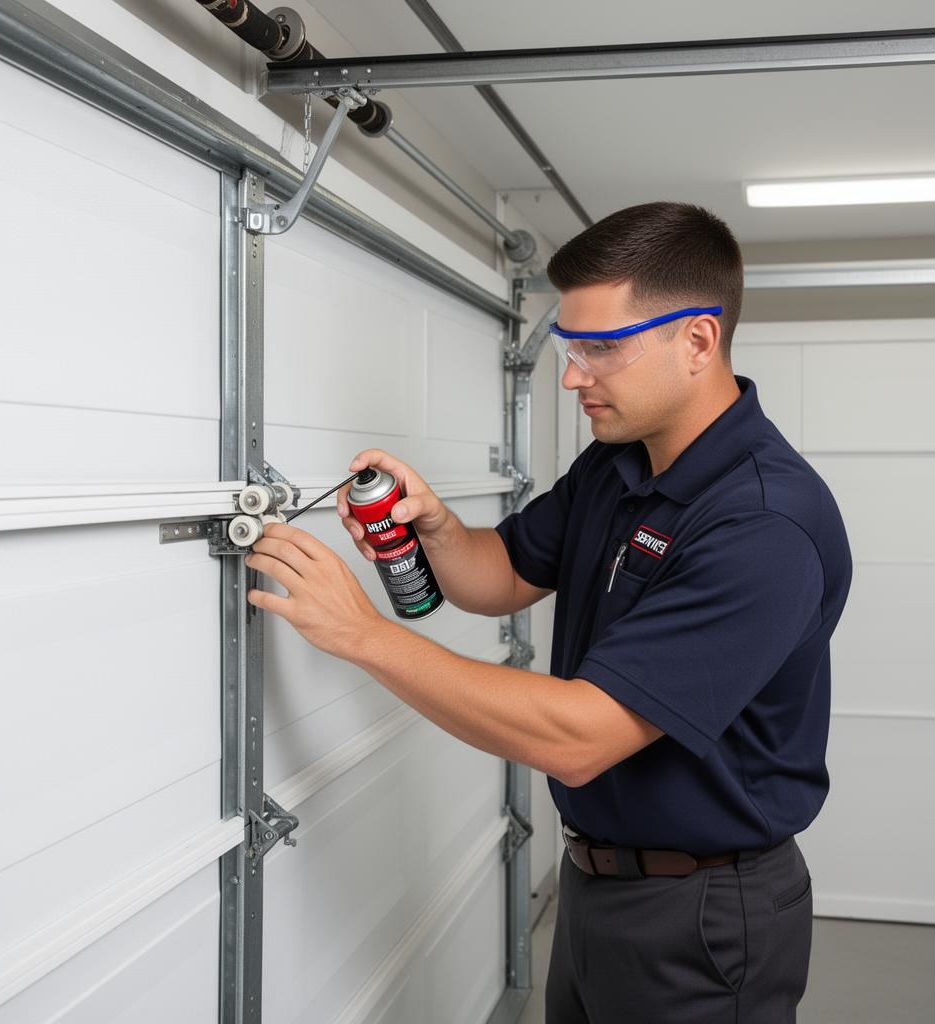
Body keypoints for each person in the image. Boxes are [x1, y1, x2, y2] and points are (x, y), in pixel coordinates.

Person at [245, 201, 852, 1023]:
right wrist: (436, 527)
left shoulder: (764, 524)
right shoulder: (617, 462)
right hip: (597, 887)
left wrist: (361, 635)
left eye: (602, 348)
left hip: (705, 912)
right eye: (572, 347)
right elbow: (500, 575)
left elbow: (580, 738)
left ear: (698, 340)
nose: (572, 376)